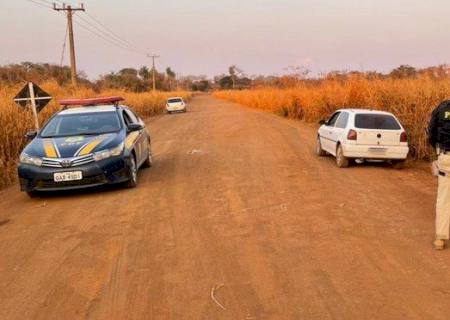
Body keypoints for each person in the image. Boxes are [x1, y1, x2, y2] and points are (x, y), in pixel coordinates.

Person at [428, 100, 450, 250]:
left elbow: (431, 133)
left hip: (446, 158)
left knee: (444, 199)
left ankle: (440, 239)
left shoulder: (442, 108)